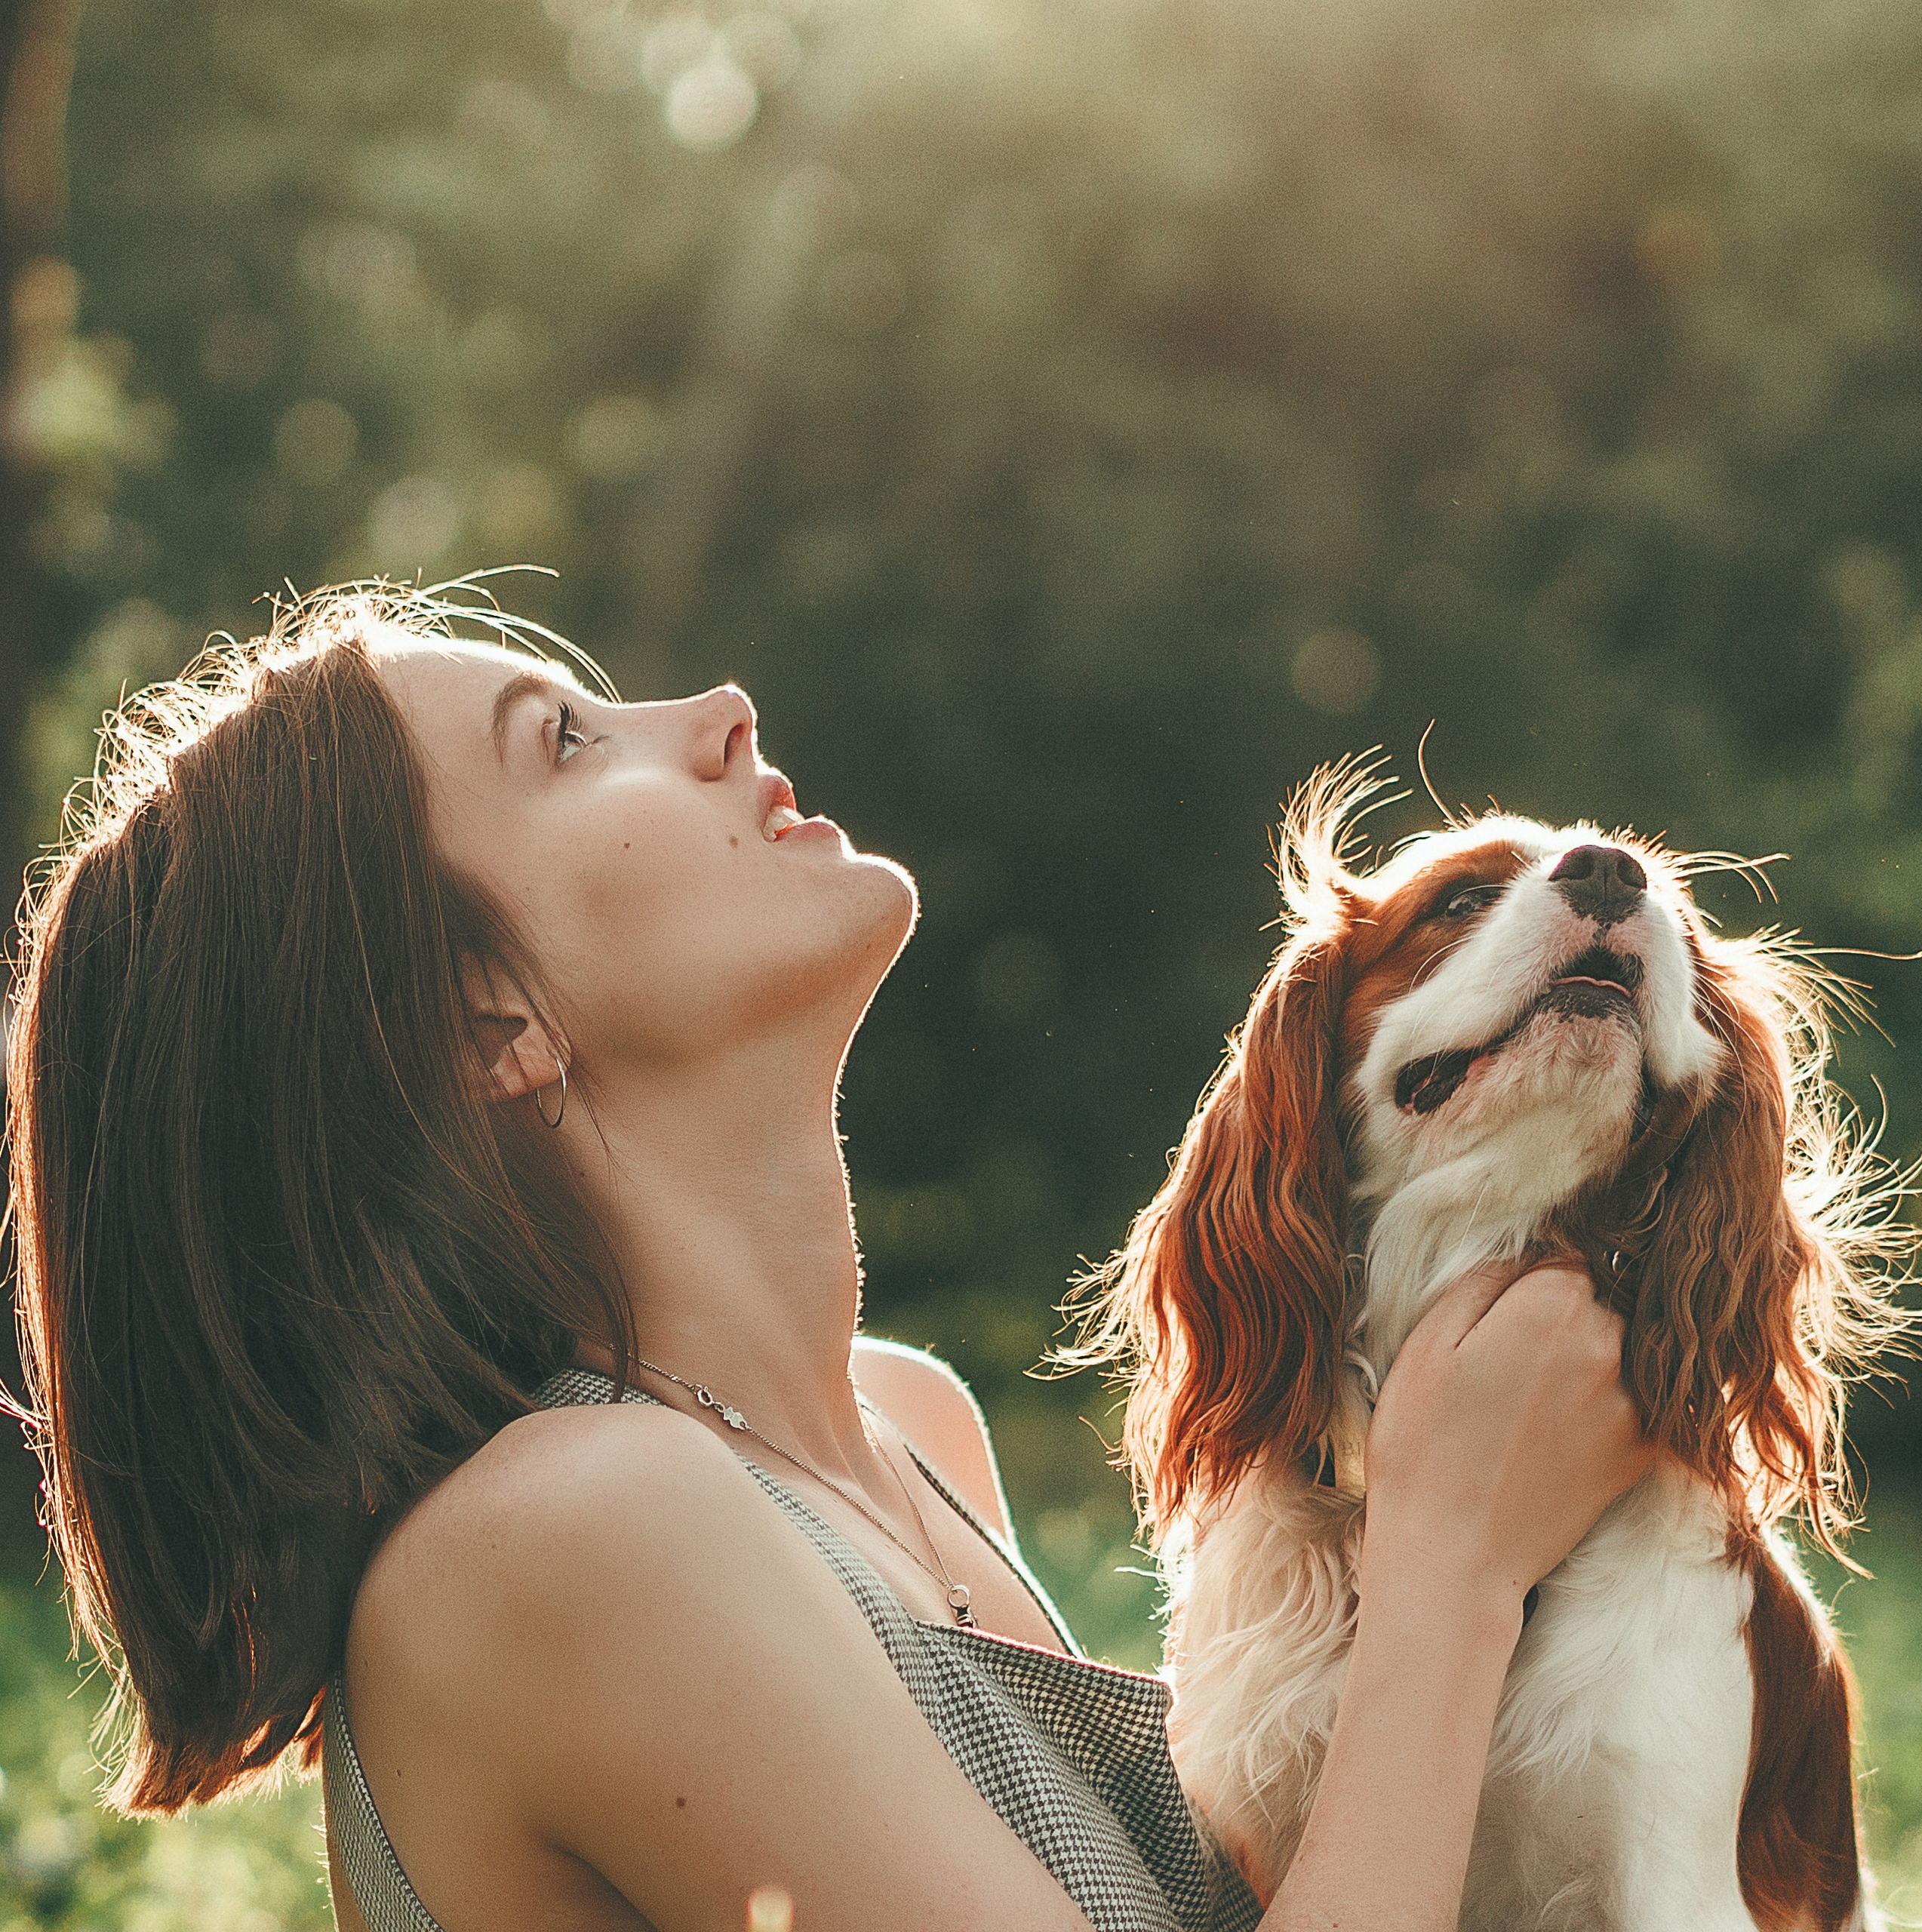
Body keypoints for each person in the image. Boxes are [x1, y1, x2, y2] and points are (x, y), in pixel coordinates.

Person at [9, 587, 1652, 1932]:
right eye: (567, 745)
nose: (721, 707)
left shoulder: (901, 1432)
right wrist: (1450, 1566)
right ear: (479, 1019)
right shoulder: (568, 1528)